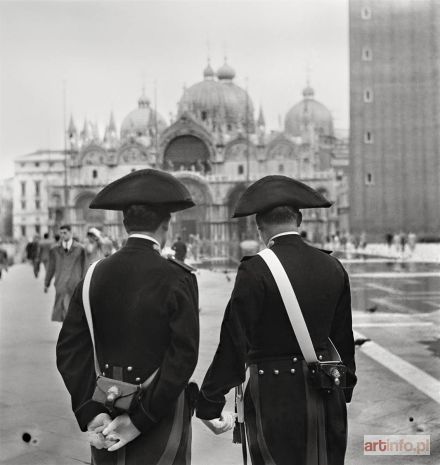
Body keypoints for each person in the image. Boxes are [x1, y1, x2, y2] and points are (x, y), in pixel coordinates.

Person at [196, 175, 357, 465]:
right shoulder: (333, 266)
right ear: (300, 219)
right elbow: (343, 337)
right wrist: (344, 388)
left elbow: (234, 342)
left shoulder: (255, 270)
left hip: (274, 396)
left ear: (259, 226)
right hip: (326, 392)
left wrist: (209, 402)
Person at [56, 169, 201, 465]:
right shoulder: (178, 278)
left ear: (124, 223)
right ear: (167, 224)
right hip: (161, 416)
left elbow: (69, 349)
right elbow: (183, 357)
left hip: (104, 411)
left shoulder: (93, 274)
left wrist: (89, 410)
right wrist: (141, 419)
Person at [44, 225, 86, 322]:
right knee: (62, 308)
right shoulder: (54, 250)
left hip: (74, 282)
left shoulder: (80, 249)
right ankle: (66, 331)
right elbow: (51, 267)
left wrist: (84, 282)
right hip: (60, 282)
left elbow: (84, 266)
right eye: (61, 233)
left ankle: (69, 332)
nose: (62, 235)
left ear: (70, 233)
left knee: (73, 308)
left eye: (65, 233)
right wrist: (47, 283)